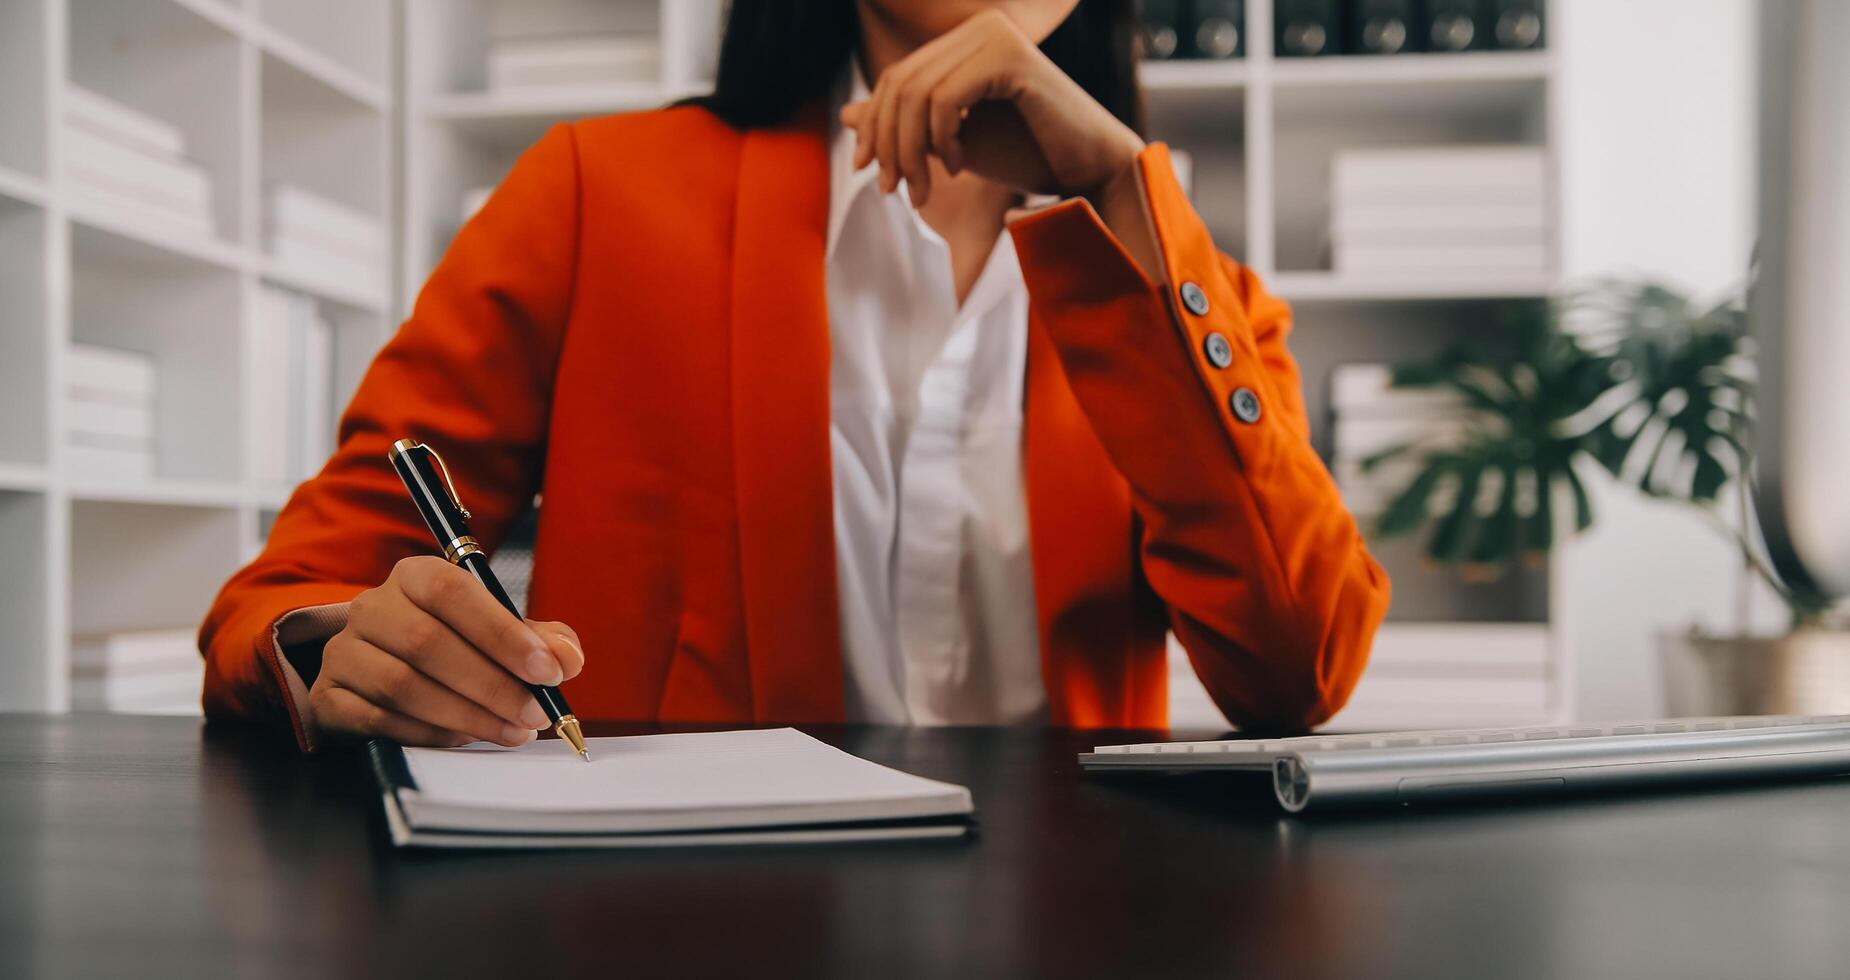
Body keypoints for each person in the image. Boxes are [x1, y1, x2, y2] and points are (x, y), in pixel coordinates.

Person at [201, 0, 1390, 752]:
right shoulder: (592, 194)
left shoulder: (1190, 287)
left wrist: (1122, 194)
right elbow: (293, 593)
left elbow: (1298, 674)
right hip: (687, 925)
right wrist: (340, 650)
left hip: (1079, 919)